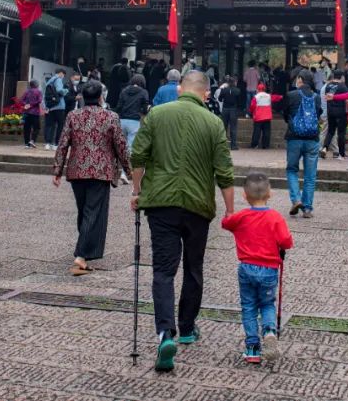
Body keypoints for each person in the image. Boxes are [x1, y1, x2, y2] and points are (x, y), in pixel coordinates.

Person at [130, 70, 235, 372]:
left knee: (163, 270)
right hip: (197, 205)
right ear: (205, 94)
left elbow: (138, 156)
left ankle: (166, 333)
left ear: (179, 90)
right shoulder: (214, 123)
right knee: (193, 267)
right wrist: (230, 211)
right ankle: (187, 327)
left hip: (161, 203)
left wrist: (137, 192)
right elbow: (224, 172)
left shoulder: (156, 115)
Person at [52, 81, 131, 275]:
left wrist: (57, 170)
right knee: (93, 213)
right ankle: (81, 256)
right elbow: (121, 145)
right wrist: (129, 171)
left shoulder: (73, 115)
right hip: (100, 171)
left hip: (77, 169)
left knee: (84, 211)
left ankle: (84, 251)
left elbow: (63, 143)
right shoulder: (110, 116)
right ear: (100, 97)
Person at [221, 173, 294, 364]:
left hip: (246, 268)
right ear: (270, 193)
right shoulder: (275, 218)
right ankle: (269, 330)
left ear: (245, 196)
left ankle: (252, 347)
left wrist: (229, 214)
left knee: (249, 306)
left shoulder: (242, 216)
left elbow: (226, 223)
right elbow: (286, 242)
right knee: (267, 304)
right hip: (269, 269)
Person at [281, 69, 323, 218]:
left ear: (300, 79)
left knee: (292, 169)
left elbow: (285, 114)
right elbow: (318, 115)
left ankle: (296, 200)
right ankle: (307, 208)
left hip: (294, 138)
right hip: (312, 140)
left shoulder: (291, 95)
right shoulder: (317, 97)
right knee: (310, 175)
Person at [319, 71, 348, 160]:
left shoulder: (328, 86)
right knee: (341, 133)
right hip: (341, 112)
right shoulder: (343, 87)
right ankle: (341, 154)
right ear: (342, 77)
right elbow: (347, 100)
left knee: (330, 132)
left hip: (330, 111)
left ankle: (325, 148)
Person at [116, 74, 150, 151]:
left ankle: (120, 162)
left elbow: (119, 107)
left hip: (122, 120)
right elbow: (145, 109)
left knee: (121, 145)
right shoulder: (144, 92)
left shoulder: (124, 90)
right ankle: (128, 162)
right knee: (130, 147)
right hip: (134, 121)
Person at [248, 83, 282, 150]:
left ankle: (254, 145)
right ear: (264, 89)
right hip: (267, 117)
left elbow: (252, 106)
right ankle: (265, 145)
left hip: (258, 117)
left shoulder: (256, 97)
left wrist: (251, 113)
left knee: (256, 132)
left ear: (258, 89)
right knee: (266, 132)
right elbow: (276, 97)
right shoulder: (268, 96)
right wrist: (281, 96)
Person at [216, 75, 244, 150]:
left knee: (224, 128)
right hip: (233, 109)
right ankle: (233, 145)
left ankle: (222, 145)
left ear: (228, 83)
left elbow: (220, 99)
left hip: (225, 109)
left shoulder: (224, 90)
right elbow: (240, 102)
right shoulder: (237, 90)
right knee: (233, 128)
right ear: (235, 82)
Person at [44, 68, 68, 151]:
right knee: (60, 125)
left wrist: (46, 107)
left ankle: (47, 143)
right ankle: (56, 144)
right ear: (61, 73)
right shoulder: (58, 80)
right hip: (59, 106)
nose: (63, 77)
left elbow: (46, 95)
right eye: (63, 75)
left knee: (49, 125)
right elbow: (60, 91)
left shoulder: (49, 81)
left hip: (50, 107)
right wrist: (66, 90)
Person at [19, 80, 43, 148]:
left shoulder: (27, 91)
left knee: (27, 128)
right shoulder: (39, 91)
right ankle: (32, 140)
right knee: (37, 128)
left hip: (27, 112)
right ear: (36, 84)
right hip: (35, 113)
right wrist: (31, 105)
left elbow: (21, 100)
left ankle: (26, 143)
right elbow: (40, 100)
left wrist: (26, 104)